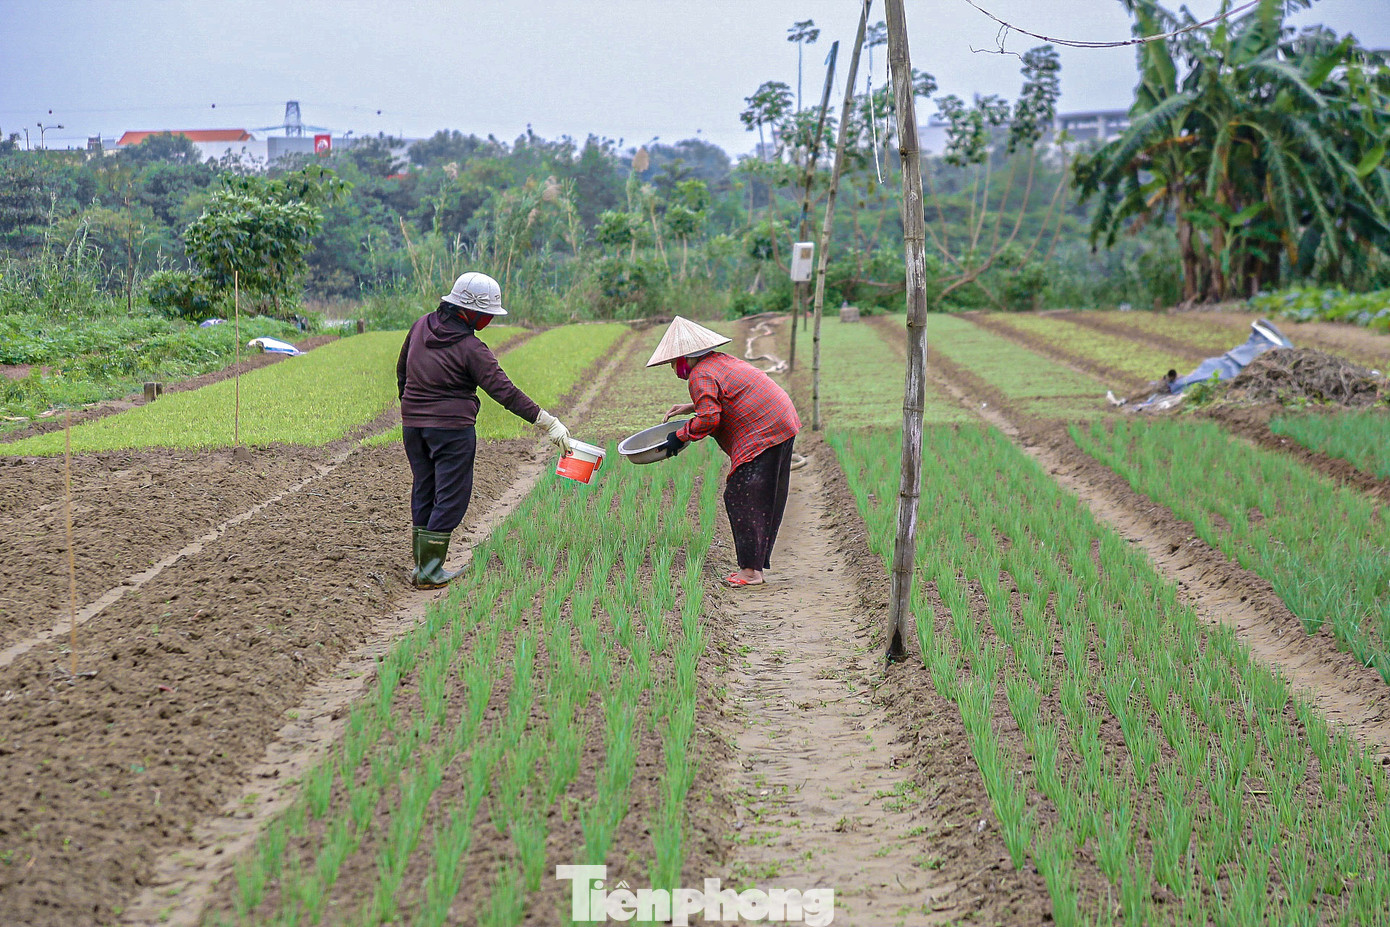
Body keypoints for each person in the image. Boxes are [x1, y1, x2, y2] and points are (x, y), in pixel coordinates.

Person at [397, 272, 572, 589]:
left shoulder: (421, 325)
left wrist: (411, 409)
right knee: (452, 496)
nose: (489, 319)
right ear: (471, 312)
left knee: (425, 487)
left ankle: (422, 565)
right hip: (452, 430)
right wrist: (550, 423)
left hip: (413, 426)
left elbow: (402, 370)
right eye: (488, 314)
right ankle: (430, 570)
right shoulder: (470, 348)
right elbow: (506, 393)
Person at [650, 316, 801, 587]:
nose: (674, 368)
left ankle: (751, 572)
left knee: (741, 496)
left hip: (763, 430)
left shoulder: (699, 375)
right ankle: (755, 565)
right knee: (763, 495)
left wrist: (678, 437)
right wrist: (690, 407)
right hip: (781, 419)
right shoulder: (718, 360)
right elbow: (726, 394)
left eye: (674, 361)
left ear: (686, 358)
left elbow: (710, 419)